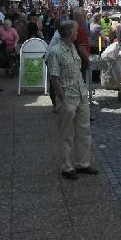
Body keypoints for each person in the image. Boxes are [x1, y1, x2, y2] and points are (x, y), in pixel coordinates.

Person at [46, 21, 97, 181]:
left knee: (84, 131)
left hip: (81, 95)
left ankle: (83, 163)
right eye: (76, 31)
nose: (78, 33)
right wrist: (64, 100)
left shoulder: (73, 47)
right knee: (67, 135)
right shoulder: (55, 51)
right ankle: (67, 167)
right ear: (70, 33)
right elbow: (54, 78)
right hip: (68, 97)